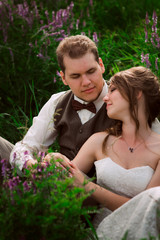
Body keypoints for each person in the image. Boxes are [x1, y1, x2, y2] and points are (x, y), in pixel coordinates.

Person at [10, 35, 160, 176]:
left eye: (91, 71)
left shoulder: (126, 101)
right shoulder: (57, 102)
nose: (86, 82)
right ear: (63, 78)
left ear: (101, 65)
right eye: (75, 76)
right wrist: (33, 167)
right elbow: (26, 147)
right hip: (58, 184)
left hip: (99, 189)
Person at [44, 66, 160, 239]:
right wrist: (54, 160)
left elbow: (147, 208)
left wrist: (89, 186)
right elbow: (68, 177)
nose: (105, 97)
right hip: (101, 231)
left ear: (137, 93)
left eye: (113, 90)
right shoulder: (99, 141)